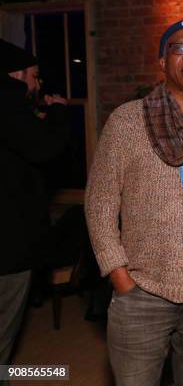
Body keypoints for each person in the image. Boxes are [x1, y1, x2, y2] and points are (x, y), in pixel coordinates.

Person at [84, 19, 183, 386]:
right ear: (162, 61)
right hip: (143, 292)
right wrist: (118, 274)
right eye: (179, 47)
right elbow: (99, 200)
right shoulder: (127, 121)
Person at [0, 39, 69, 367]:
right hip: (8, 247)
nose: (37, 83)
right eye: (34, 75)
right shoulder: (7, 104)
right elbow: (45, 148)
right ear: (15, 74)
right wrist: (58, 112)